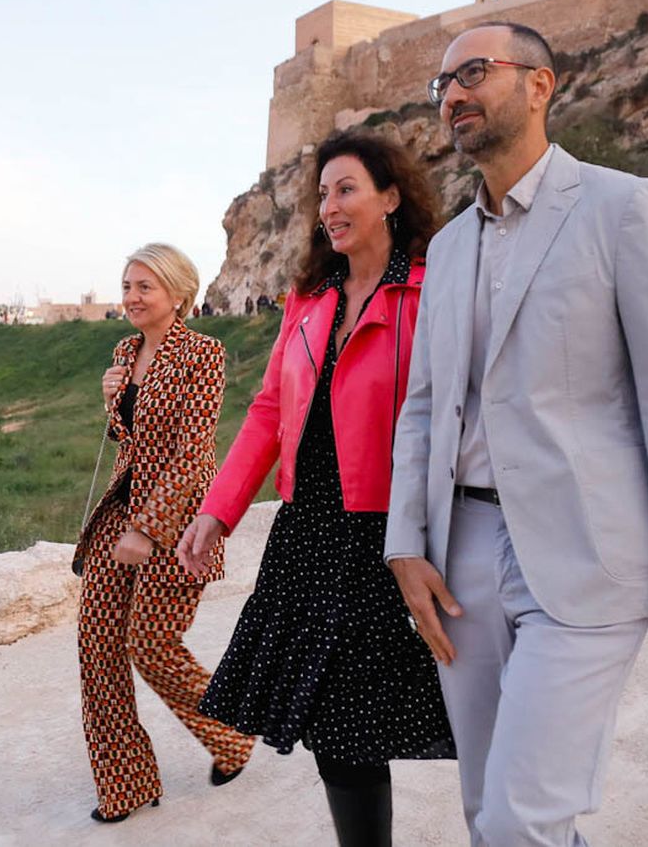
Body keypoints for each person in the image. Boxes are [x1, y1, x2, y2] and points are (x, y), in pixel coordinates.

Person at [387, 22, 648, 845]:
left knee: (523, 818)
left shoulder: (628, 209)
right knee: (489, 810)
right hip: (462, 558)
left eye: (474, 72)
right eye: (442, 85)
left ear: (541, 84)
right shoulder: (445, 251)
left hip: (589, 549)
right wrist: (406, 542)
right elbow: (424, 405)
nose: (453, 96)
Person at [178, 128, 453, 845]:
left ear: (392, 197)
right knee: (339, 727)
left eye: (346, 189)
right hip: (311, 530)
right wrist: (218, 509)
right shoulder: (308, 296)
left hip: (391, 530)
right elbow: (269, 408)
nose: (329, 207)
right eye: (322, 194)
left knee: (438, 708)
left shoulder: (435, 288)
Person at [75, 243, 255, 823]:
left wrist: (148, 531)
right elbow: (128, 443)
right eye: (127, 285)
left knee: (150, 645)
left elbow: (193, 456)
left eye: (144, 287)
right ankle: (123, 784)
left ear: (177, 294)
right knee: (97, 648)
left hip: (177, 526)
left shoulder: (202, 354)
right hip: (117, 517)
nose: (131, 297)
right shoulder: (125, 351)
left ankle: (232, 736)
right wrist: (112, 404)